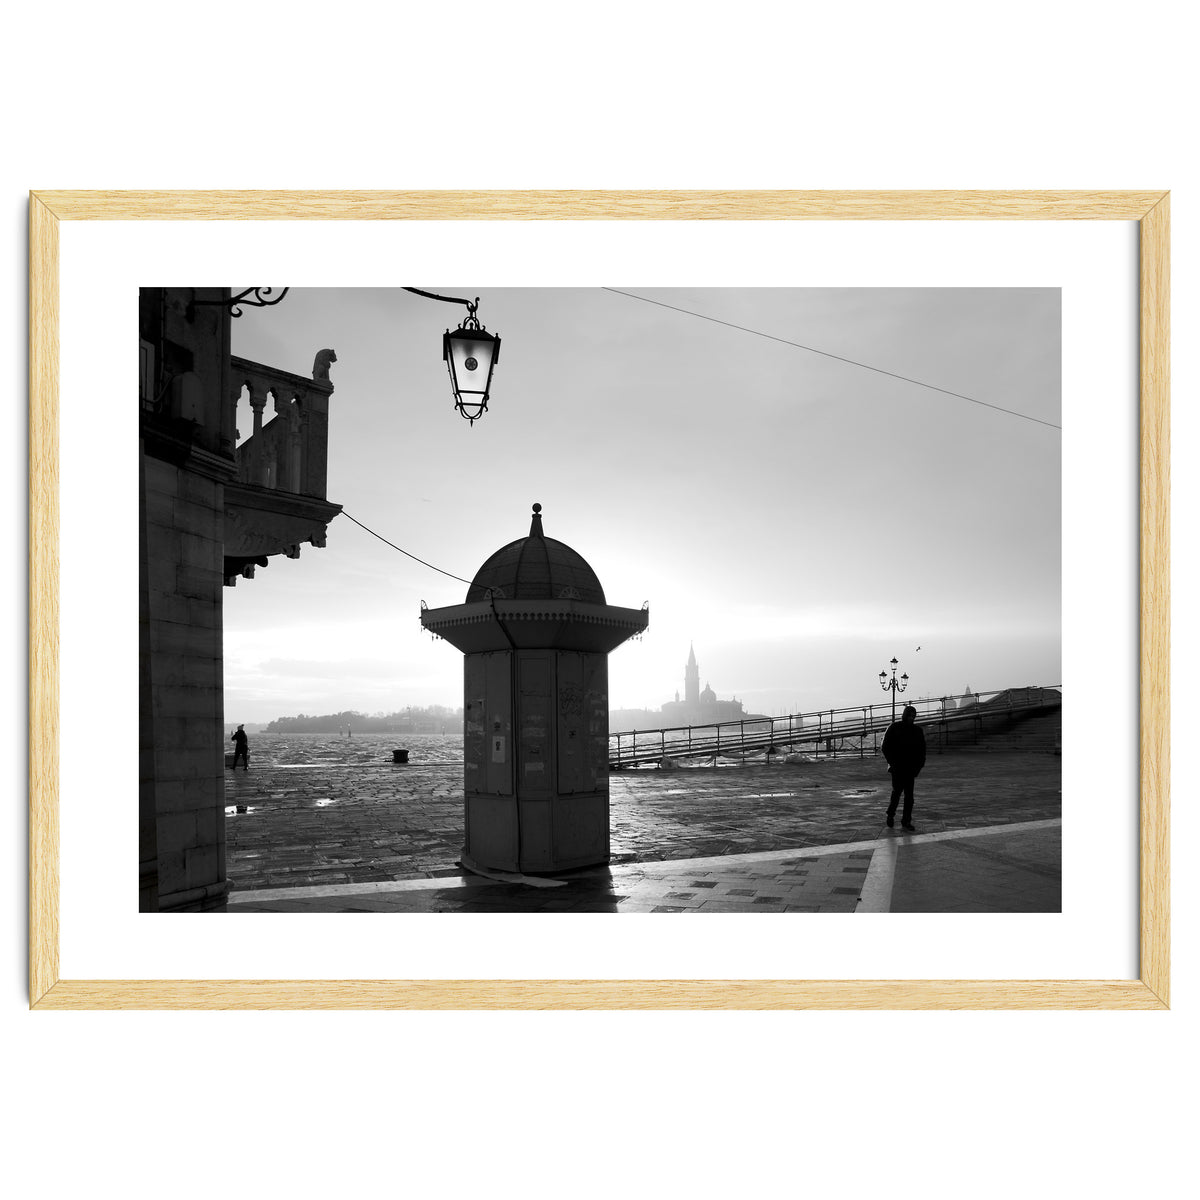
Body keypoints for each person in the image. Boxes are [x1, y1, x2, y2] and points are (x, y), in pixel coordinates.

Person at [881, 704, 925, 831]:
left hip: (911, 768)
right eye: (910, 715)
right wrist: (892, 763)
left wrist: (919, 766)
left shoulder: (917, 730)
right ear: (905, 715)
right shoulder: (894, 727)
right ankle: (890, 815)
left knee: (909, 797)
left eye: (913, 716)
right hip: (898, 767)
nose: (911, 718)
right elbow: (885, 747)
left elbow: (922, 750)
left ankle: (906, 820)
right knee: (896, 793)